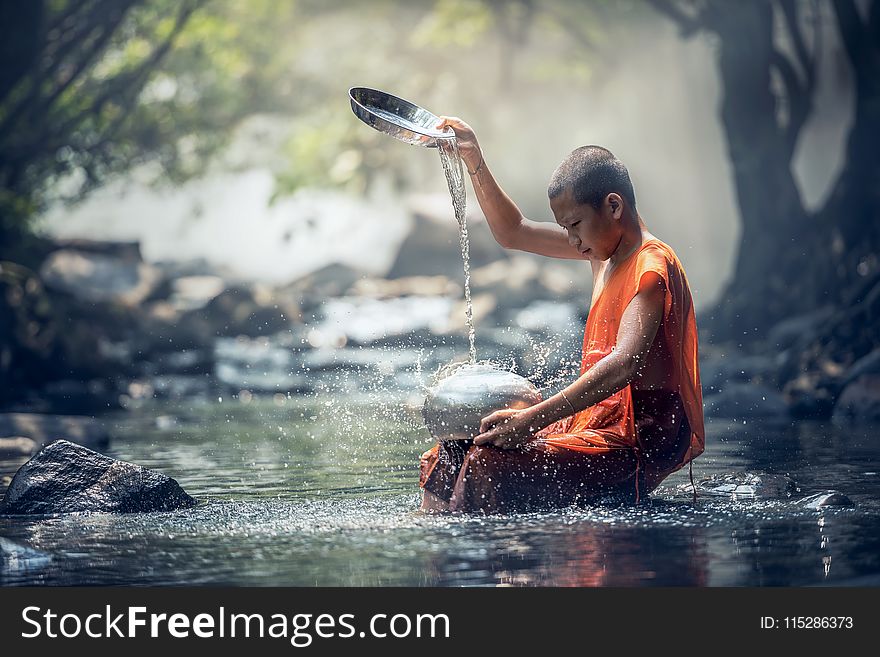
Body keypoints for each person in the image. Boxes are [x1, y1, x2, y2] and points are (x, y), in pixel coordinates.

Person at [419, 117, 705, 514]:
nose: (572, 242)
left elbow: (625, 364)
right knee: (451, 450)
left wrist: (533, 420)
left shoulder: (650, 265)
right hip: (594, 424)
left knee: (485, 462)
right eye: (564, 228)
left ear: (613, 206)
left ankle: (498, 567)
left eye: (574, 226)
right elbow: (514, 231)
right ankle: (434, 546)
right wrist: (474, 159)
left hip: (635, 441)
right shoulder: (602, 249)